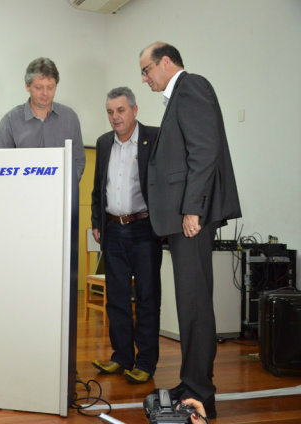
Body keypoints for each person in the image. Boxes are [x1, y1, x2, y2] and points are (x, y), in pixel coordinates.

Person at [139, 42, 241, 417]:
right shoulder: (179, 94)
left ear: (166, 62)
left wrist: (193, 210)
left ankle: (200, 392)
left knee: (195, 304)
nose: (145, 77)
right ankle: (191, 381)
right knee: (190, 304)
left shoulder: (192, 86)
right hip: (184, 218)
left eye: (147, 69)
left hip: (191, 219)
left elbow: (204, 151)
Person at [90, 87, 162, 384]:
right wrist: (97, 221)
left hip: (144, 229)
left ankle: (145, 362)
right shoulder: (104, 143)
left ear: (134, 110)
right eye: (110, 112)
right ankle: (121, 357)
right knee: (116, 299)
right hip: (112, 231)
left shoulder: (154, 138)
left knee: (146, 298)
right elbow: (98, 188)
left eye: (120, 110)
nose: (115, 117)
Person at [0, 57, 86, 181]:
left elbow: (78, 160)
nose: (45, 93)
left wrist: (65, 186)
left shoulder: (70, 118)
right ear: (27, 86)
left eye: (50, 87)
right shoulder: (10, 121)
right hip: (21, 195)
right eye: (39, 87)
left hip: (60, 196)